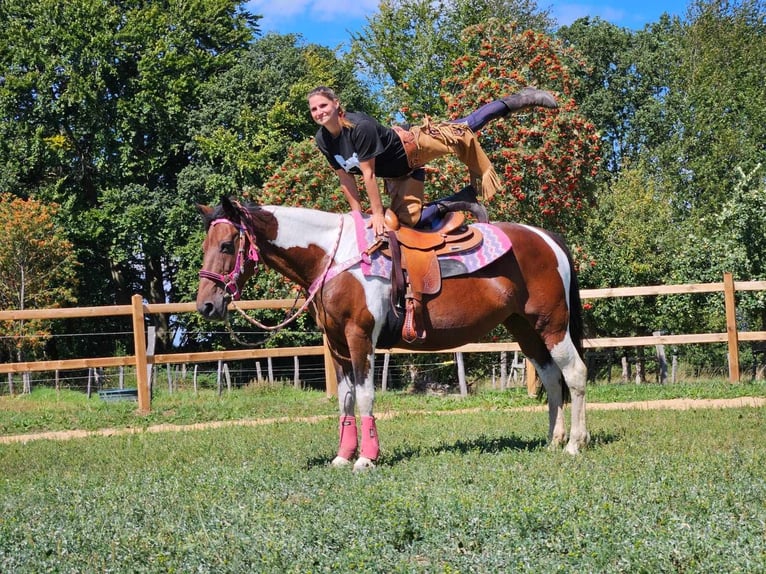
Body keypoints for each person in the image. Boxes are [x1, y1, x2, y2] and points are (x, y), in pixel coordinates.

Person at [308, 86, 557, 235]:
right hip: (401, 174)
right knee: (406, 224)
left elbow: (368, 175)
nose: (319, 112)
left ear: (336, 104)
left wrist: (373, 214)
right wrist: (356, 214)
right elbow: (345, 178)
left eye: (323, 105)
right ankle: (463, 200)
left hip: (414, 146)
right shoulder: (323, 139)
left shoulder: (359, 127)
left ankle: (522, 99)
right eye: (314, 109)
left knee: (464, 128)